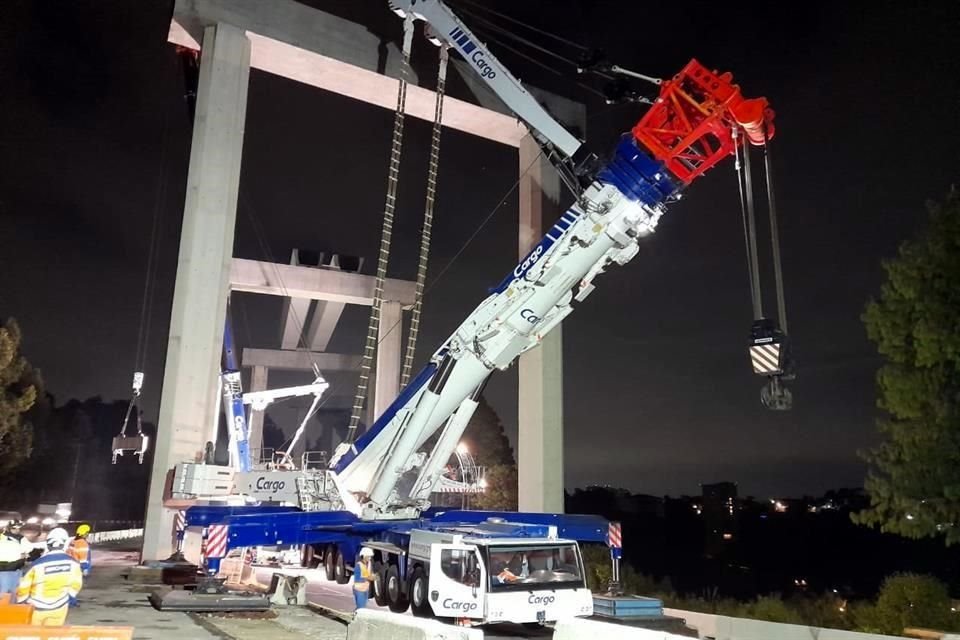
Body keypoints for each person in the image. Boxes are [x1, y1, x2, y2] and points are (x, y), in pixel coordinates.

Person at [16, 527, 83, 626]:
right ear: (65, 544)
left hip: (36, 607)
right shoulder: (73, 563)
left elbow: (24, 586)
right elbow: (76, 583)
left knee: (35, 635)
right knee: (53, 634)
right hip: (60, 606)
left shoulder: (37, 564)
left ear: (48, 544)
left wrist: (21, 601)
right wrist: (70, 596)